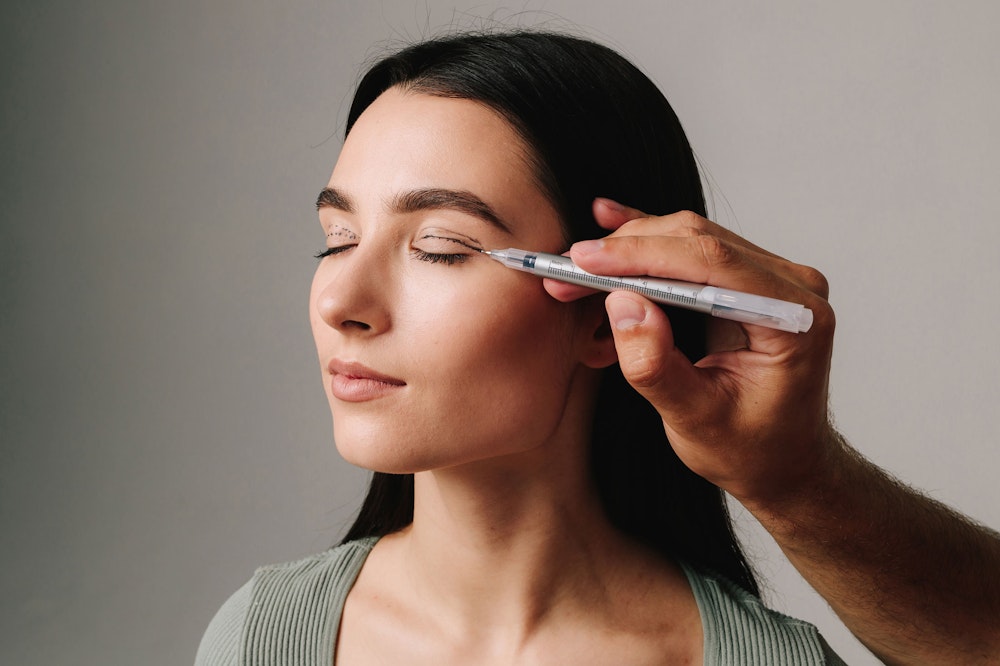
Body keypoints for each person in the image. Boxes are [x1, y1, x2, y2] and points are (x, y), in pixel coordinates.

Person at [195, 30, 1000, 665]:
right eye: (336, 240)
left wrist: (804, 479)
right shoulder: (262, 636)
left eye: (439, 246)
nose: (340, 302)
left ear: (603, 314)